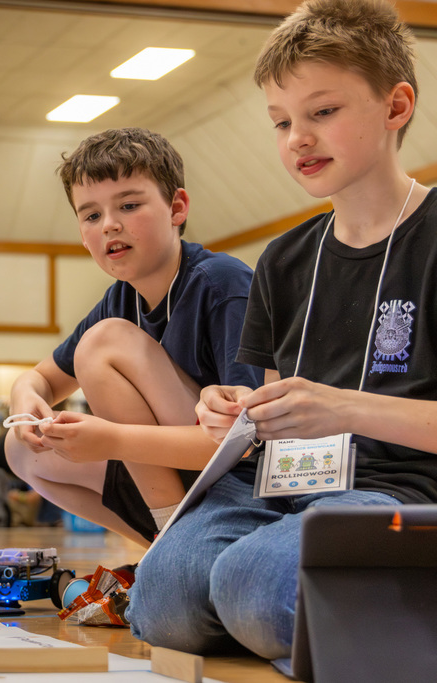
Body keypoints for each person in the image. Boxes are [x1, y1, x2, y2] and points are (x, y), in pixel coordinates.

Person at [127, 0, 437, 665]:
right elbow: (277, 424)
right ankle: (336, 624)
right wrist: (238, 413)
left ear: (396, 106)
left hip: (406, 490)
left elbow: (335, 409)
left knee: (253, 585)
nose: (298, 136)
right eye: (280, 121)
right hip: (288, 484)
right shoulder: (285, 260)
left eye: (323, 112)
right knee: (160, 599)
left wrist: (341, 407)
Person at [5, 128, 263, 546]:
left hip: (243, 483)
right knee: (23, 450)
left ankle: (178, 543)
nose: (109, 225)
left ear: (177, 207)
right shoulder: (120, 298)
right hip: (180, 477)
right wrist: (24, 399)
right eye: (91, 215)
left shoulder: (222, 285)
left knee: (104, 342)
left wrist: (112, 440)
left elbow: (247, 441)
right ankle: (166, 541)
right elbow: (40, 379)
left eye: (128, 205)